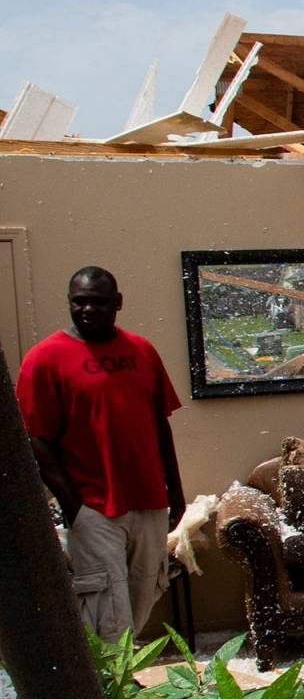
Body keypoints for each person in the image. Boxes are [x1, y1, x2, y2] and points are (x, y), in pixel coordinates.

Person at [17, 266, 186, 637]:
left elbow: (161, 424)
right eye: (79, 302)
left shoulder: (142, 351)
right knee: (106, 613)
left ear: (118, 303)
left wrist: (175, 490)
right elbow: (37, 439)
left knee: (143, 596)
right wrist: (73, 505)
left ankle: (120, 682)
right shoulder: (44, 359)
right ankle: (111, 693)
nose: (87, 309)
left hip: (149, 501)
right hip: (94, 508)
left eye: (98, 302)